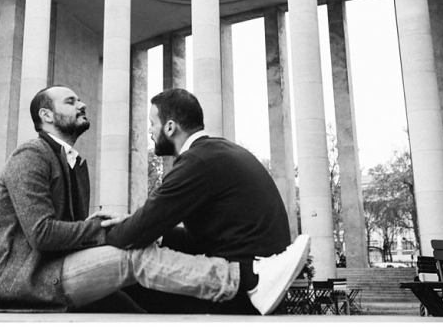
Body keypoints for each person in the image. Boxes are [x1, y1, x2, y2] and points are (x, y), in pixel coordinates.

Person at [0, 85, 309, 315]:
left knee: (137, 306)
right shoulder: (30, 155)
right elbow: (42, 234)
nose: (82, 104)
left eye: (79, 100)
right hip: (27, 281)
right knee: (134, 255)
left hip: (57, 271)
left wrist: (128, 228)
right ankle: (248, 278)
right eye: (71, 102)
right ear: (46, 116)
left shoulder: (76, 165)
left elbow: (136, 228)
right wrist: (106, 229)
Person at [103, 87, 307, 315]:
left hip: (245, 290)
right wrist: (154, 233)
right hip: (258, 278)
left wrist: (97, 233)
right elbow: (202, 240)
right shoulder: (219, 151)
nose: (150, 130)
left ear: (170, 127)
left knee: (117, 280)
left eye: (152, 123)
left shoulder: (195, 162)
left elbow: (132, 235)